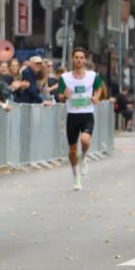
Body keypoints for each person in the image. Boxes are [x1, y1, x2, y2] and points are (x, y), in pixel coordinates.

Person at [51, 47, 103, 191]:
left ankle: (84, 157)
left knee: (85, 140)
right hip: (72, 116)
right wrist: (64, 95)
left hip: (87, 114)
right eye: (76, 57)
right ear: (72, 59)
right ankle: (76, 178)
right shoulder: (65, 77)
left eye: (81, 57)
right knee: (72, 150)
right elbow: (60, 96)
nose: (79, 60)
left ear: (85, 60)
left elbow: (99, 89)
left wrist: (96, 97)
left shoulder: (92, 76)